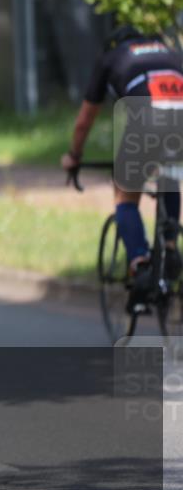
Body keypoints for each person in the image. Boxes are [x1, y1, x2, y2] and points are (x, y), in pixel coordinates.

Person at [62, 26, 183, 308]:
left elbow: (84, 122)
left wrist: (74, 157)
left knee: (125, 190)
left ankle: (140, 264)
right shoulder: (172, 53)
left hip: (147, 119)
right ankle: (169, 247)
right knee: (170, 176)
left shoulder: (111, 58)